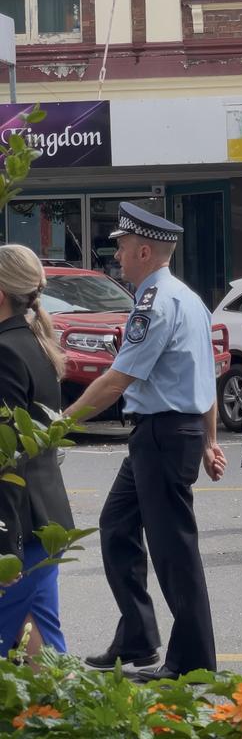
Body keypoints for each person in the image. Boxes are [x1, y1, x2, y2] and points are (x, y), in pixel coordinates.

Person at [63, 202, 227, 681]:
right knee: (116, 527)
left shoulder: (157, 302)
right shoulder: (187, 297)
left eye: (120, 248)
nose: (117, 256)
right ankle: (138, 636)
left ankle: (193, 661)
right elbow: (207, 375)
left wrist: (60, 423)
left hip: (162, 433)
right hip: (166, 433)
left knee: (174, 549)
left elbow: (117, 379)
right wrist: (210, 439)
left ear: (143, 250)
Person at [0, 245, 73, 660]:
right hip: (44, 521)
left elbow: (7, 456)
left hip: (20, 526)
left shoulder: (6, 352)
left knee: (30, 643)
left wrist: (3, 544)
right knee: (38, 646)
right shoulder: (34, 344)